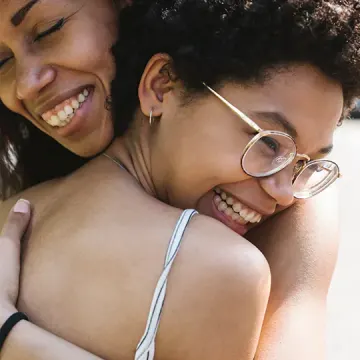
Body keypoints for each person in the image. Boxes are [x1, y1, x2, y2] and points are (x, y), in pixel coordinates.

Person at [0, 0, 358, 359]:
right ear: (161, 86)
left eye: (306, 164)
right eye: (265, 142)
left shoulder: (14, 215)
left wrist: (14, 337)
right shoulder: (220, 268)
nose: (284, 193)